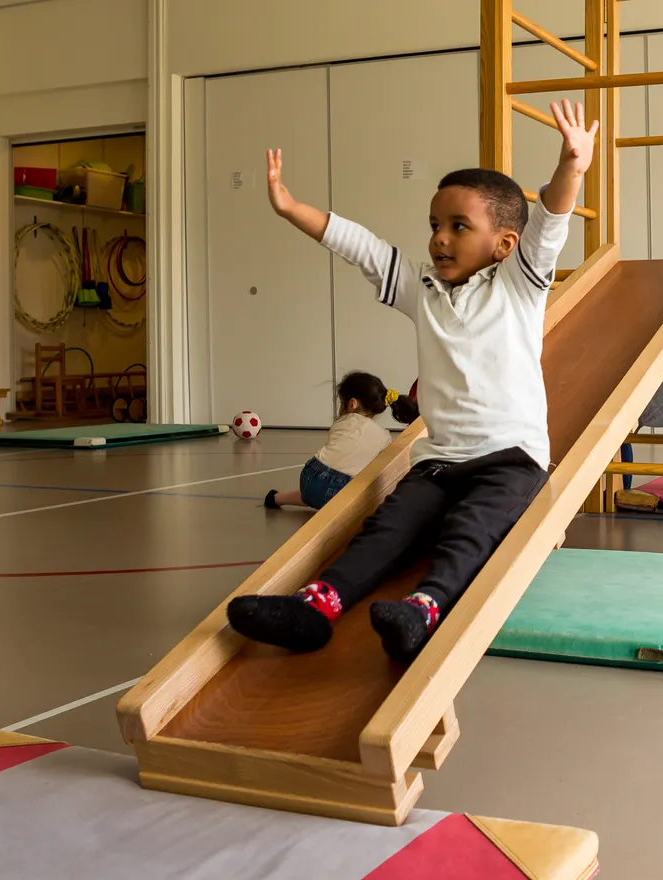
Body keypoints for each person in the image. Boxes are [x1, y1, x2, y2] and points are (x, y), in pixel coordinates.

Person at [227, 100, 597, 664]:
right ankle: (315, 609)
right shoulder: (421, 289)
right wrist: (290, 207)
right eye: (434, 226)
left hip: (511, 460)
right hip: (439, 460)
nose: (439, 239)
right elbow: (361, 246)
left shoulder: (519, 284)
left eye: (458, 227)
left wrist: (572, 164)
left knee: (471, 532)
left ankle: (424, 609)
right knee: (387, 527)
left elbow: (549, 223)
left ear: (502, 244)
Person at [265, 371, 419, 510]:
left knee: (315, 490)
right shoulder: (384, 436)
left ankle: (276, 499)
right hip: (339, 491)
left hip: (309, 476)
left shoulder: (343, 421)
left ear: (352, 404)